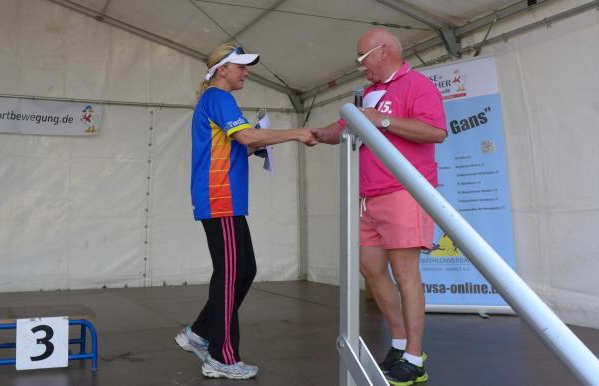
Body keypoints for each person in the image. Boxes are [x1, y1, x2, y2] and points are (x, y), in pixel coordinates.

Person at [175, 42, 318, 380]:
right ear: (221, 69)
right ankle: (221, 357)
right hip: (219, 197)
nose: (246, 72)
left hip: (225, 199)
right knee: (230, 274)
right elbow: (247, 138)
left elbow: (240, 143)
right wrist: (297, 132)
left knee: (244, 270)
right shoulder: (219, 97)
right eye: (240, 66)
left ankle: (200, 333)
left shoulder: (218, 99)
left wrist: (257, 143)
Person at [314, 28, 446, 386]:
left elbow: (435, 131)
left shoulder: (416, 85)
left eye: (363, 57)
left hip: (403, 191)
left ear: (384, 52)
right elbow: (342, 128)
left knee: (405, 272)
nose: (360, 66)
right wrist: (312, 135)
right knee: (371, 269)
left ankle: (415, 358)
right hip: (368, 196)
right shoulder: (369, 93)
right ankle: (400, 343)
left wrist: (383, 121)